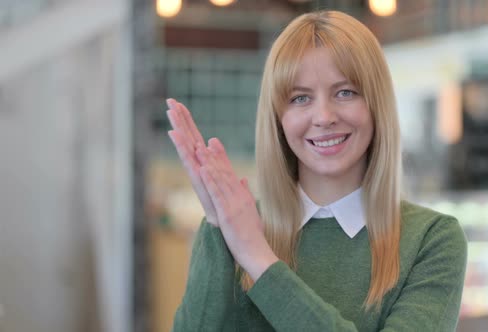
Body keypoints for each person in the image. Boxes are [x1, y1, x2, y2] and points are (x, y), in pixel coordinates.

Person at [166, 10, 467, 332]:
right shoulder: (232, 225)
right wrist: (217, 225)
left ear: (377, 104)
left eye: (345, 92)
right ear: (277, 119)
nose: (323, 116)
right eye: (300, 98)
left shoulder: (432, 240)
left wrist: (257, 256)